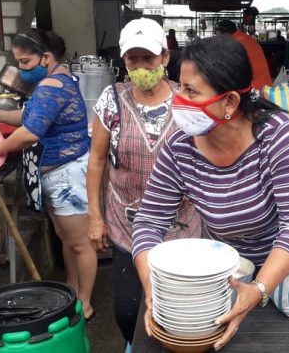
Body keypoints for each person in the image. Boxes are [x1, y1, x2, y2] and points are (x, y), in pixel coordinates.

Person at [131, 37, 289, 351]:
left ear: (231, 102)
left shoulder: (278, 136)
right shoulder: (180, 149)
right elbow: (148, 223)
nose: (178, 100)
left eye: (191, 91)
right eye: (180, 87)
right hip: (235, 275)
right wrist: (152, 287)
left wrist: (261, 288)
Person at [86, 18, 203, 344]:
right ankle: (136, 345)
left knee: (180, 306)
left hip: (181, 223)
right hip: (127, 223)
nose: (139, 67)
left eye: (147, 58)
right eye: (132, 59)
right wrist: (94, 218)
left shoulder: (188, 100)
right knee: (127, 309)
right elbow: (96, 160)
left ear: (164, 57)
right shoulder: (111, 100)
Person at [0, 29, 96, 319]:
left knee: (80, 243)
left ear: (47, 57)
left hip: (68, 174)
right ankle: (72, 292)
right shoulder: (54, 82)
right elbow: (27, 116)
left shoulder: (52, 85)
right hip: (59, 173)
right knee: (67, 240)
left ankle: (85, 303)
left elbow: (28, 133)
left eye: (25, 62)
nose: (21, 69)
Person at [214, 19, 272, 90]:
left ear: (225, 34)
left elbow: (229, 71)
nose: (219, 40)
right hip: (266, 87)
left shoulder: (235, 44)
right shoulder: (247, 38)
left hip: (255, 91)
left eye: (219, 37)